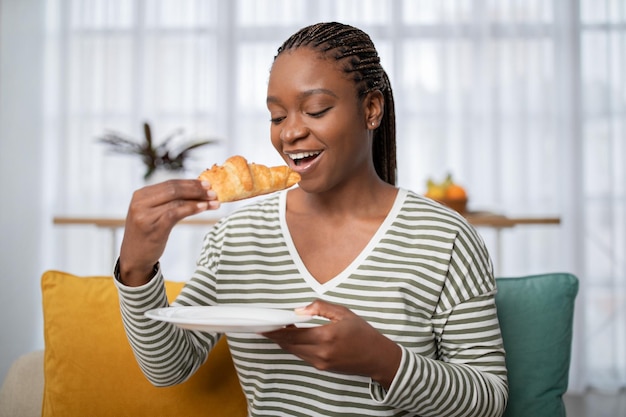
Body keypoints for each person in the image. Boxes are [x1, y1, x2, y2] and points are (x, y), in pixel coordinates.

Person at [115, 22, 508, 417]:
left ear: (371, 109)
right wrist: (135, 267)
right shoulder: (236, 237)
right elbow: (169, 367)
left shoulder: (444, 238)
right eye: (277, 116)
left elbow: (489, 400)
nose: (291, 133)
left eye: (316, 110)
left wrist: (384, 360)